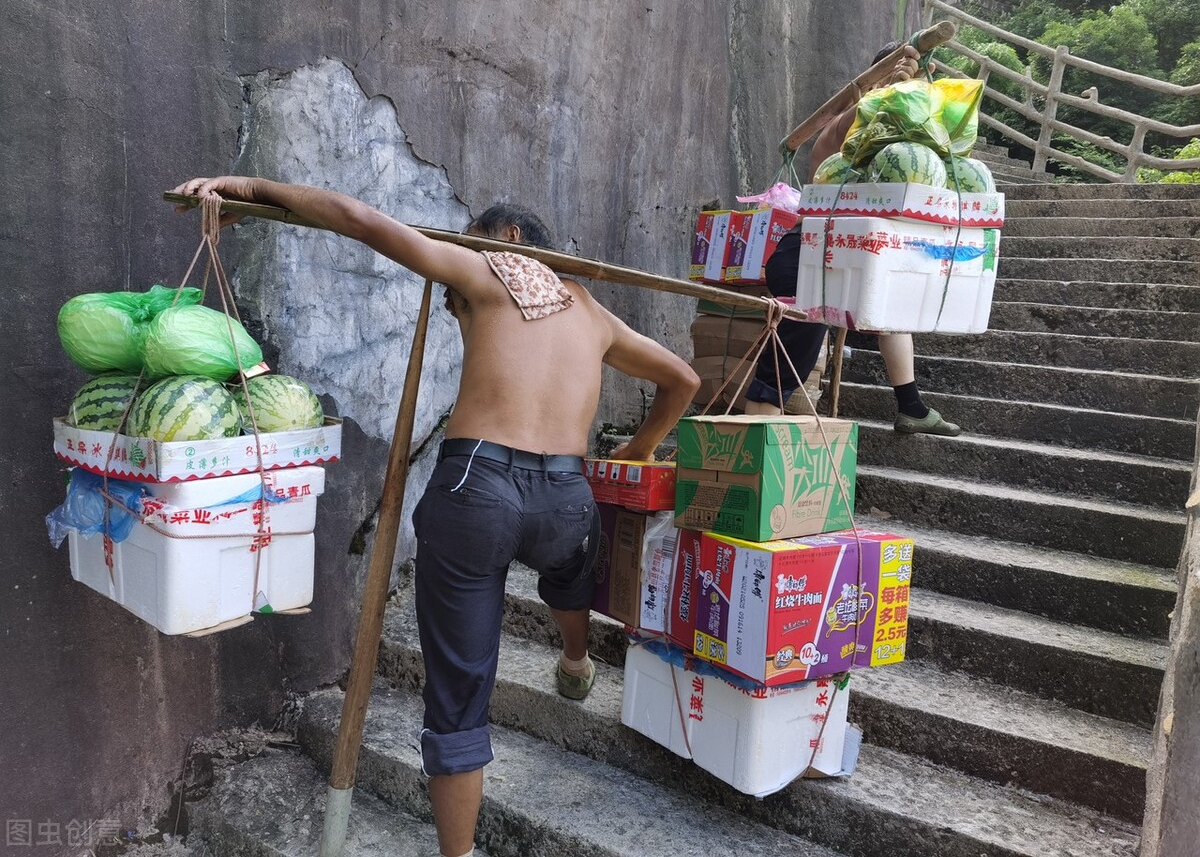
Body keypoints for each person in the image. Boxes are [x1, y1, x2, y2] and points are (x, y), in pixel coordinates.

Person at [172, 176, 700, 857]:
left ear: (509, 239)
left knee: (458, 697)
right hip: (566, 497)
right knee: (574, 565)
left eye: (471, 241)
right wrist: (640, 448)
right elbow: (683, 379)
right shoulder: (593, 313)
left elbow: (359, 219)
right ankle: (575, 659)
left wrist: (252, 187)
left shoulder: (488, 270)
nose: (458, 265)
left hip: (477, 488)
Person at [746, 42, 961, 437]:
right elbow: (870, 127)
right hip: (809, 256)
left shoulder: (896, 130)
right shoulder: (855, 118)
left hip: (846, 254)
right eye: (908, 84)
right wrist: (891, 92)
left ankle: (911, 407)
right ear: (881, 79)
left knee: (894, 313)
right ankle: (750, 447)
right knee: (784, 368)